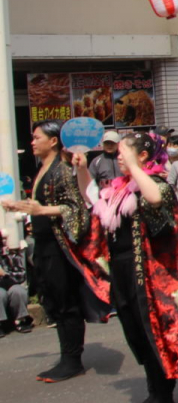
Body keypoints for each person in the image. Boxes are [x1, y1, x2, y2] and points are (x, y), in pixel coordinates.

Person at [76, 132, 178, 403]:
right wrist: (81, 169)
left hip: (149, 275)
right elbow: (92, 200)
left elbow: (154, 198)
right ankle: (155, 392)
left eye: (125, 152)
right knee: (135, 332)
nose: (119, 157)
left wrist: (135, 168)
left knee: (153, 333)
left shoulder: (155, 183)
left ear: (142, 157)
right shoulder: (120, 187)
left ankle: (164, 398)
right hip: (124, 270)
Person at [3, 120, 103, 382]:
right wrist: (19, 206)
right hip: (45, 244)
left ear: (53, 141)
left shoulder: (62, 169)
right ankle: (67, 356)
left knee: (66, 301)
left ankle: (72, 360)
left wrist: (41, 211)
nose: (32, 142)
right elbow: (41, 203)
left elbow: (77, 208)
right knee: (55, 301)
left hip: (60, 247)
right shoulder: (43, 168)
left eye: (37, 138)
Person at [0, 229, 33, 337]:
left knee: (18, 291)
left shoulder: (9, 255)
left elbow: (21, 275)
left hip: (8, 284)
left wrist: (5, 274)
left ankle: (21, 319)